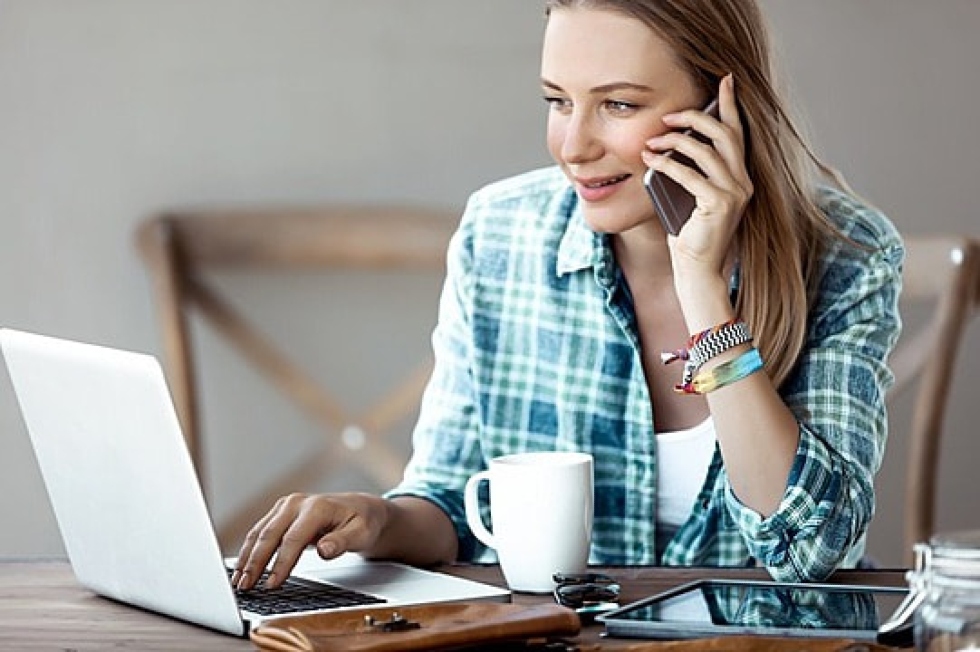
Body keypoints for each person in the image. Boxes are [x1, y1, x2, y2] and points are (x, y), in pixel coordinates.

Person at [233, 0, 903, 589]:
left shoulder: (848, 253)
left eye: (618, 104)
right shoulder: (499, 234)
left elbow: (809, 552)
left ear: (722, 108)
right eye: (558, 101)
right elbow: (449, 506)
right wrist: (376, 517)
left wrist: (701, 286)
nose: (573, 146)